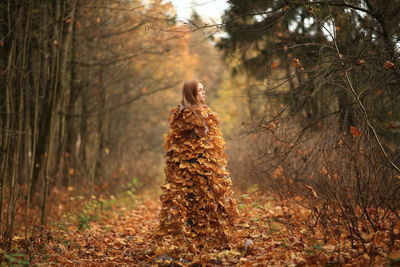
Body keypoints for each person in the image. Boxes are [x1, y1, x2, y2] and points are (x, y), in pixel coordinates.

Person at [154, 80, 239, 259]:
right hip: (191, 172)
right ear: (192, 94)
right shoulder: (185, 115)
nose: (203, 93)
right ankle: (195, 246)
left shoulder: (203, 113)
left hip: (207, 168)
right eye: (200, 90)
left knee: (211, 207)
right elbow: (182, 145)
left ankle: (206, 244)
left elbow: (211, 143)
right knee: (194, 207)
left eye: (203, 89)